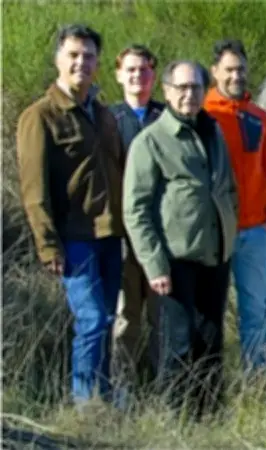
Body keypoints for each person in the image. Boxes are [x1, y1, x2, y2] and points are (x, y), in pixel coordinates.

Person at [17, 23, 125, 410]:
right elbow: (34, 190)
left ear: (98, 63)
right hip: (73, 238)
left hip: (111, 234)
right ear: (58, 59)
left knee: (108, 321)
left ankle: (105, 396)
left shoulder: (103, 114)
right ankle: (85, 406)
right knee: (92, 319)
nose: (82, 62)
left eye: (89, 56)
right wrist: (48, 244)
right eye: (74, 55)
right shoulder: (40, 116)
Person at [123, 60, 239, 419]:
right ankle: (174, 420)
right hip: (174, 260)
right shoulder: (152, 141)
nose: (189, 94)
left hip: (215, 256)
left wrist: (228, 236)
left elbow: (227, 187)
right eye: (182, 87)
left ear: (205, 91)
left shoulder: (213, 131)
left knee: (210, 339)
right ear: (168, 91)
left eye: (196, 87)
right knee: (178, 342)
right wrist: (154, 264)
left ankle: (207, 416)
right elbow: (135, 209)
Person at [204, 39, 266, 375]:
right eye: (229, 69)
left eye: (241, 69)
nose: (236, 76)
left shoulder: (260, 118)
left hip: (255, 232)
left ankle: (257, 381)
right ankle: (209, 381)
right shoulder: (204, 113)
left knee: (255, 311)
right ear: (214, 72)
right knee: (210, 310)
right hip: (214, 233)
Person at [108, 43, 164, 405]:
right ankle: (122, 390)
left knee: (164, 317)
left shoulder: (167, 116)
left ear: (153, 76)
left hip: (163, 236)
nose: (137, 76)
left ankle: (166, 387)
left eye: (143, 70)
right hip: (123, 236)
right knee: (126, 318)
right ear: (118, 75)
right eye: (130, 70)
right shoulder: (107, 119)